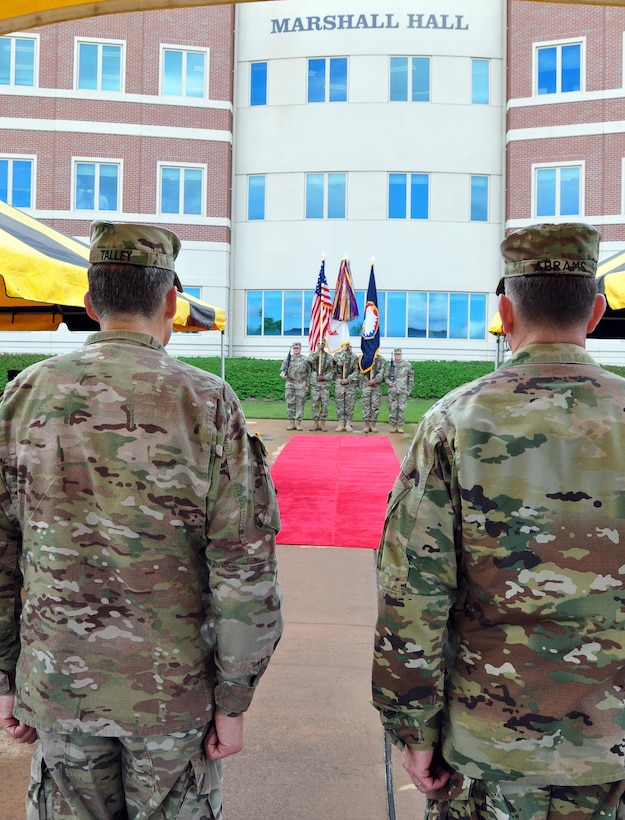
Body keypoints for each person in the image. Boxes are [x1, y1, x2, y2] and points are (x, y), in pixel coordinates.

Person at [0, 220, 283, 820]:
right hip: (172, 697)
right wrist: (234, 700)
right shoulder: (207, 403)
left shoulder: (25, 396)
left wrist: (6, 679)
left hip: (59, 685)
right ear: (171, 302)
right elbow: (244, 564)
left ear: (89, 303)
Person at [372, 222, 625, 820]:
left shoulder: (455, 420)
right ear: (595, 312)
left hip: (487, 746)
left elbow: (413, 590)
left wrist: (413, 728)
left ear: (505, 312)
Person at [384, 348, 414, 433]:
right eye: (396, 354)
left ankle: (400, 426)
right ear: (394, 355)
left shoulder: (407, 365)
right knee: (392, 408)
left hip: (402, 391)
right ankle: (393, 426)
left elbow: (411, 378)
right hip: (392, 390)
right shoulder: (390, 365)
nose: (398, 356)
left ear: (401, 355)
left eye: (399, 354)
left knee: (401, 409)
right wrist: (388, 382)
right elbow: (385, 377)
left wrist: (409, 390)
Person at [307, 339, 334, 431]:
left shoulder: (329, 357)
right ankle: (315, 423)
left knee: (325, 404)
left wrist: (325, 377)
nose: (321, 345)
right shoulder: (313, 355)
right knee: (315, 404)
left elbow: (333, 371)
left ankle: (323, 423)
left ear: (325, 345)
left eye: (322, 343)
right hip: (315, 383)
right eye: (319, 343)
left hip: (325, 384)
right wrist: (318, 352)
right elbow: (309, 360)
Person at [280, 341, 308, 430]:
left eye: (297, 348)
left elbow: (309, 373)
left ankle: (298, 423)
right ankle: (291, 423)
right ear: (293, 349)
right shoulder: (287, 359)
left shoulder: (305, 360)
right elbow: (282, 370)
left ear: (300, 349)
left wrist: (307, 385)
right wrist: (283, 375)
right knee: (290, 403)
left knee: (300, 403)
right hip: (290, 384)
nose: (296, 350)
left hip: (300, 384)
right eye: (294, 348)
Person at [333, 342, 360, 432]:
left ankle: (348, 423)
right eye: (344, 345)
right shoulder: (337, 355)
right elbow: (335, 367)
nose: (345, 346)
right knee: (340, 404)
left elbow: (357, 371)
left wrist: (348, 379)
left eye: (347, 345)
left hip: (350, 384)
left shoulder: (354, 357)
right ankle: (341, 423)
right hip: (339, 383)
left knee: (349, 404)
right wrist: (343, 354)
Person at [359, 352, 385, 433]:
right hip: (366, 385)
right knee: (365, 405)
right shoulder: (363, 358)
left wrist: (375, 380)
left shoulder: (380, 359)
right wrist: (368, 381)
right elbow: (360, 371)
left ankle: (373, 425)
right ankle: (366, 425)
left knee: (375, 406)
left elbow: (382, 372)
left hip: (376, 387)